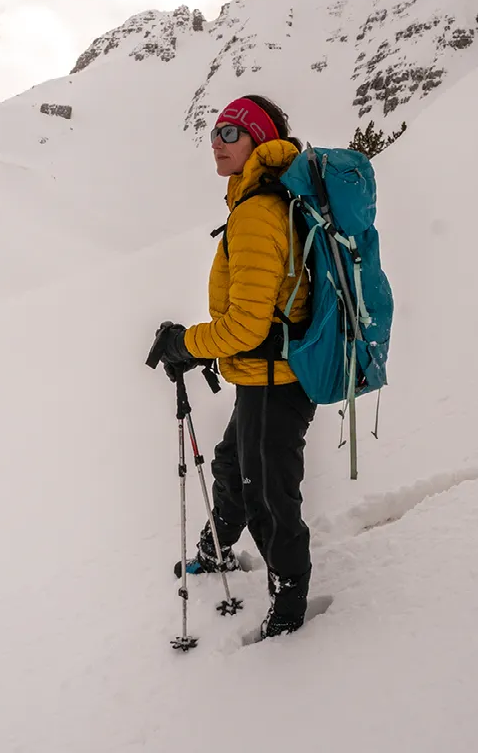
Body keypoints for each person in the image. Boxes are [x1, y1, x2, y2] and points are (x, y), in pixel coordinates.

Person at [156, 94, 315, 639]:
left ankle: (290, 602)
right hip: (262, 377)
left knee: (269, 495)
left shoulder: (255, 213)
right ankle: (216, 548)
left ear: (256, 141)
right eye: (214, 133)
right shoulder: (257, 204)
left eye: (230, 133)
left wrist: (186, 345)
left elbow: (247, 325)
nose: (216, 143)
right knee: (233, 467)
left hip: (276, 379)